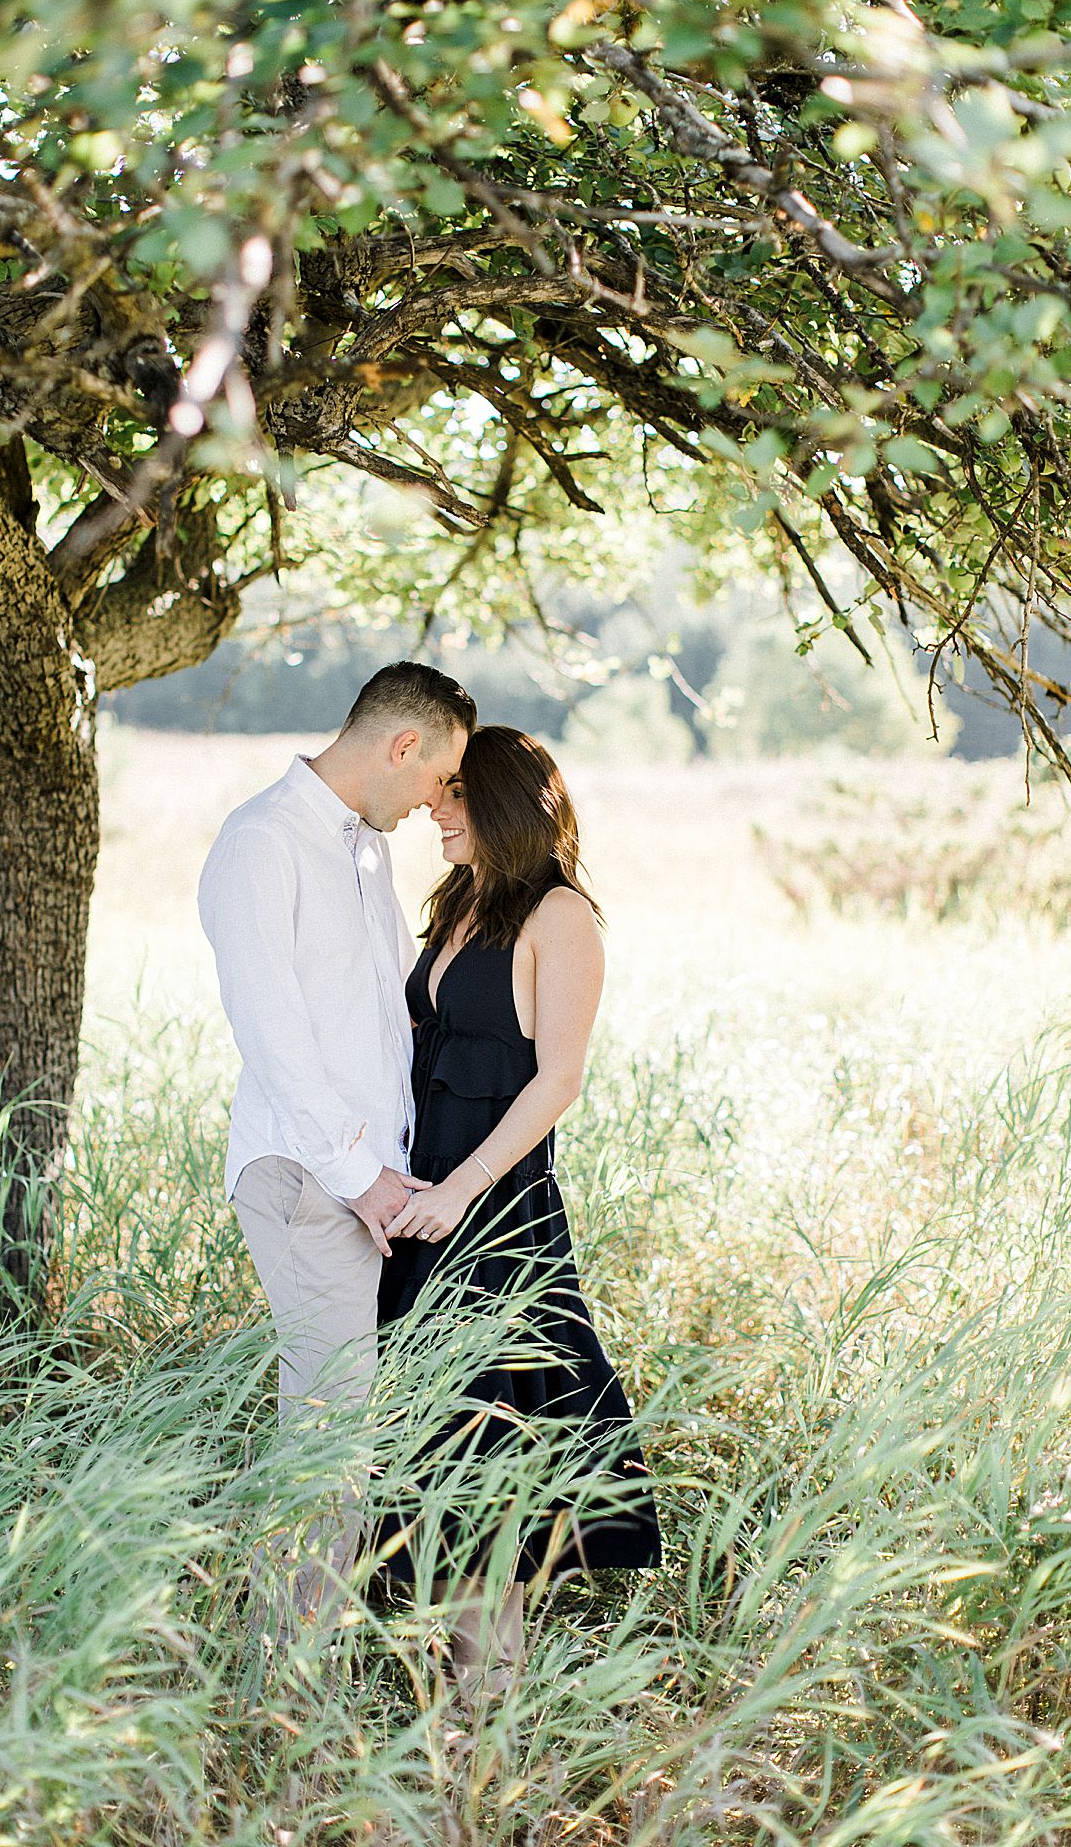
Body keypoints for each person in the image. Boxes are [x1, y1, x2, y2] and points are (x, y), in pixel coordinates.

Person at [376, 724, 662, 1703]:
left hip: (493, 1216)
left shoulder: (559, 916)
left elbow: (557, 1082)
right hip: (416, 1205)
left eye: (454, 794)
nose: (434, 809)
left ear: (497, 802)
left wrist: (460, 1190)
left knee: (484, 1457)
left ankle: (489, 1703)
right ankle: (445, 1700)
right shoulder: (458, 902)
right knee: (428, 1449)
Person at [197, 661, 477, 1638]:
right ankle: (287, 1686)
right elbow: (273, 1035)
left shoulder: (363, 851)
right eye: (437, 780)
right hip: (309, 1179)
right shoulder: (262, 843)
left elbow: (384, 1016)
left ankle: (324, 1654)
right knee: (327, 1436)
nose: (434, 804)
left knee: (357, 1428)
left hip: (373, 1181)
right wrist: (361, 1180)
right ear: (401, 745)